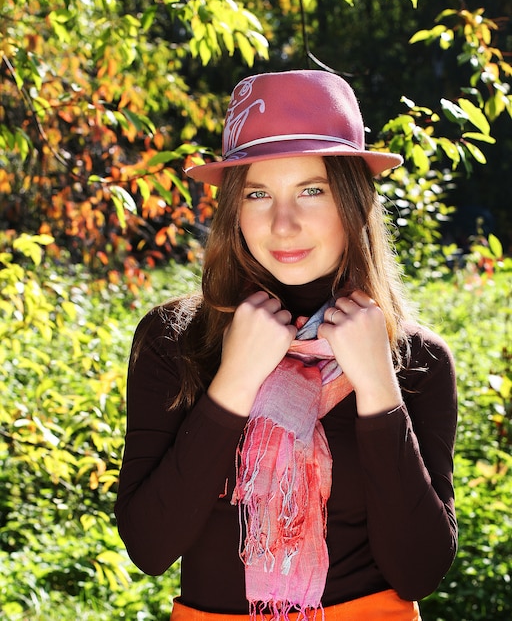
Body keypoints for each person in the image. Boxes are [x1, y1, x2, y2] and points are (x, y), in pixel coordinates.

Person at [115, 70, 458, 621]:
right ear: (234, 210)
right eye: (258, 194)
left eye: (312, 190)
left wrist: (377, 387)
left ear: (352, 201)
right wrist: (233, 383)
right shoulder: (174, 339)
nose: (283, 223)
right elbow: (150, 547)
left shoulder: (415, 359)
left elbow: (418, 570)